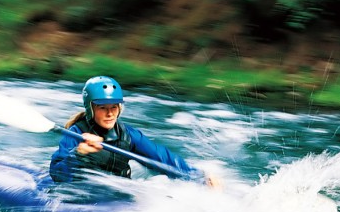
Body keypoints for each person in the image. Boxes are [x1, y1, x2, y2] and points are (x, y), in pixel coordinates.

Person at [50, 76, 219, 187]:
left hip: (115, 194)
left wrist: (198, 176)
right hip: (82, 195)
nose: (110, 113)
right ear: (91, 108)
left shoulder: (128, 135)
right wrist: (78, 154)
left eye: (114, 107)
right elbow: (57, 174)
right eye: (103, 108)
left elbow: (161, 158)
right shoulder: (76, 133)